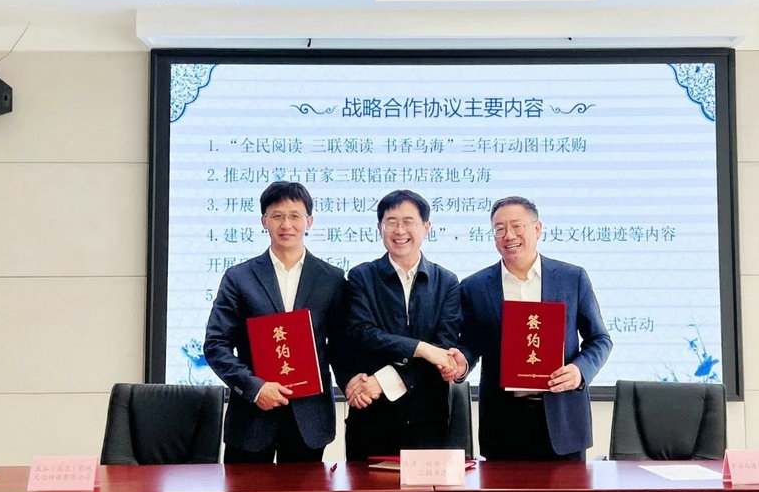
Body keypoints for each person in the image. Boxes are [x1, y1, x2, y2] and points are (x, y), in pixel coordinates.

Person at [458, 196, 612, 460]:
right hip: (503, 422)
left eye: (517, 226)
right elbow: (470, 344)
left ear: (537, 229)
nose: (509, 235)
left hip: (563, 420)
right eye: (499, 229)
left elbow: (599, 339)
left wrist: (579, 371)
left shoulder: (572, 278)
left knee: (567, 490)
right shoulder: (475, 286)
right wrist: (461, 362)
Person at [204, 181, 345, 463]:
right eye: (277, 216)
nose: (286, 224)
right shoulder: (239, 278)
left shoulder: (332, 278)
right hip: (251, 417)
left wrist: (354, 382)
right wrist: (255, 388)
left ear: (309, 221)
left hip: (309, 419)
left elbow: (342, 345)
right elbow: (216, 345)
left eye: (295, 216)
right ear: (264, 221)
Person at [330, 189, 465, 461]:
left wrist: (383, 380)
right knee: (366, 489)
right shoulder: (361, 277)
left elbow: (443, 349)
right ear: (379, 228)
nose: (399, 230)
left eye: (408, 221)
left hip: (427, 421)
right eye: (391, 222)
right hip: (371, 415)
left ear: (426, 227)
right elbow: (363, 334)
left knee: (425, 491)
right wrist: (422, 349)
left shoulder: (446, 282)